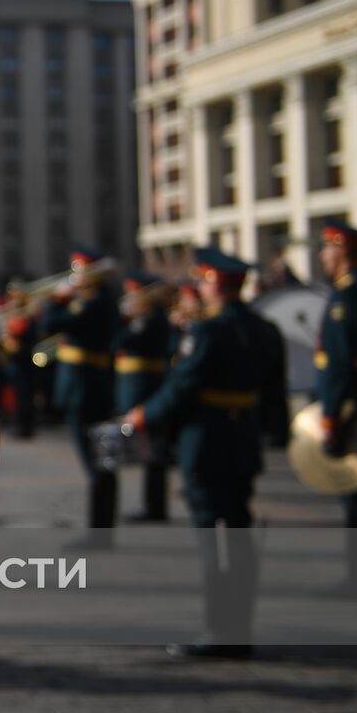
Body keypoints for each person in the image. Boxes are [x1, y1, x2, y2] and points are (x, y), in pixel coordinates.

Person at [128, 247, 287, 658]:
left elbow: (184, 386)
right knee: (237, 533)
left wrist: (145, 415)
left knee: (213, 540)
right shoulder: (264, 328)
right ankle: (239, 627)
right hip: (242, 443)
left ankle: (223, 632)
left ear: (215, 283)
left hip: (207, 442)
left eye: (201, 279)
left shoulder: (209, 331)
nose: (197, 286)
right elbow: (275, 393)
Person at [313, 222, 357, 597]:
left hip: (356, 406)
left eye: (326, 249)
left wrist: (330, 419)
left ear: (340, 250)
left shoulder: (346, 297)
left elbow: (339, 365)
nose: (323, 256)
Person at [40, 247, 121, 546]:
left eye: (81, 271)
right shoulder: (96, 300)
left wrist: (59, 299)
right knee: (98, 462)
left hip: (86, 389)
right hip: (88, 386)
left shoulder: (95, 302)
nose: (76, 278)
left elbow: (50, 324)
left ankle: (99, 533)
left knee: (97, 463)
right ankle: (102, 529)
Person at [113, 271, 174, 523]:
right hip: (140, 384)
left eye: (134, 293)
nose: (130, 298)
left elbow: (121, 341)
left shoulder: (149, 319)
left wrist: (122, 319)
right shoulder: (147, 317)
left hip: (144, 386)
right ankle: (154, 505)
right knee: (150, 450)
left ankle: (155, 507)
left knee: (153, 451)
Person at [0, 280, 39, 439]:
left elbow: (30, 337)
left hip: (23, 360)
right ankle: (17, 422)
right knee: (14, 393)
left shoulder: (28, 316)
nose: (13, 300)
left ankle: (25, 425)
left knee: (24, 394)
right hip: (12, 360)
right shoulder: (12, 314)